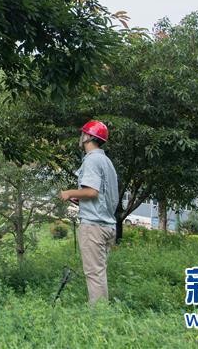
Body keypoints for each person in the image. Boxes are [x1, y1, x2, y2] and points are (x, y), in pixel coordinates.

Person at [59, 120, 118, 305]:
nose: (81, 137)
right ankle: (101, 312)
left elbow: (92, 191)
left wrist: (69, 193)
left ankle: (99, 319)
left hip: (94, 226)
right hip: (108, 225)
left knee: (94, 274)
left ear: (88, 137)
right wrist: (79, 197)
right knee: (99, 273)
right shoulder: (106, 162)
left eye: (82, 134)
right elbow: (100, 194)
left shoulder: (92, 159)